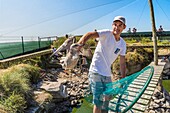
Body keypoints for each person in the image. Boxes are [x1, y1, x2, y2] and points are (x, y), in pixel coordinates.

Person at [77, 16, 127, 113]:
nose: (117, 27)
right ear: (112, 25)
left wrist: (123, 78)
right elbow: (89, 34)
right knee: (98, 102)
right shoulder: (107, 34)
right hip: (95, 72)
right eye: (115, 25)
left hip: (107, 74)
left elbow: (122, 62)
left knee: (107, 99)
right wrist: (80, 44)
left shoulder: (122, 44)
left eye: (120, 25)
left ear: (124, 27)